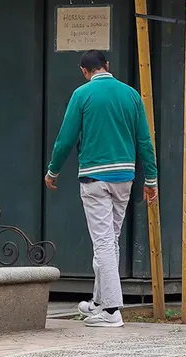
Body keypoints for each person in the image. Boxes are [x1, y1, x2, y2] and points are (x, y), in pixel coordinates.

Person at [44, 50, 158, 328]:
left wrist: (53, 170)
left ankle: (111, 311)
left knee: (103, 242)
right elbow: (144, 139)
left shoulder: (82, 95)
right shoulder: (131, 95)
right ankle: (97, 302)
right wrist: (151, 179)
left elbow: (66, 138)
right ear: (107, 65)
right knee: (111, 240)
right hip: (125, 177)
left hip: (95, 178)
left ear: (84, 70)